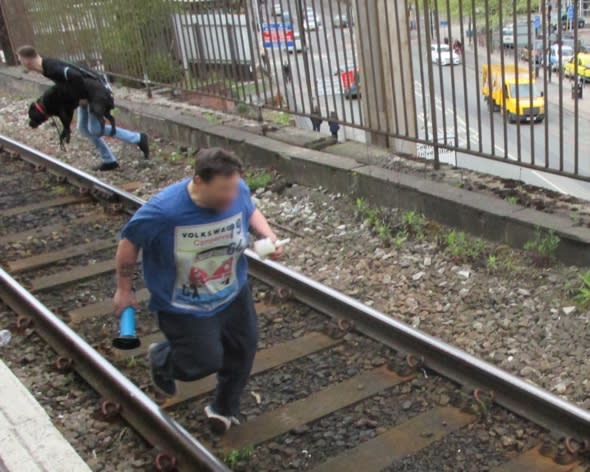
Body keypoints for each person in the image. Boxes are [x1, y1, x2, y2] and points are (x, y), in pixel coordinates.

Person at [113, 148, 283, 434]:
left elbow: (249, 209)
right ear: (199, 181)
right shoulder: (163, 211)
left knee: (243, 351)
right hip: (185, 306)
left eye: (233, 189)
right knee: (202, 362)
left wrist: (267, 235)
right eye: (222, 192)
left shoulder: (236, 188)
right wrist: (123, 290)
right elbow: (129, 245)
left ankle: (223, 409)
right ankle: (162, 359)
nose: (230, 197)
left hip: (232, 293)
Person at [16, 45, 149, 171]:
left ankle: (138, 138)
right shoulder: (45, 68)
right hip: (87, 93)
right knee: (83, 128)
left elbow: (75, 76)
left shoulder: (51, 66)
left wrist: (80, 99)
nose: (20, 62)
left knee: (95, 129)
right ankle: (109, 161)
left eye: (20, 59)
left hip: (95, 92)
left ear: (27, 60)